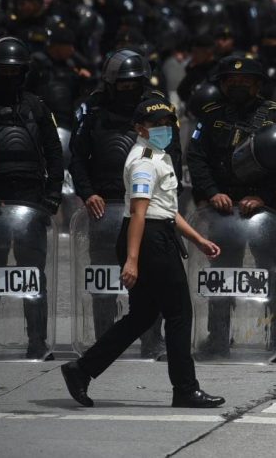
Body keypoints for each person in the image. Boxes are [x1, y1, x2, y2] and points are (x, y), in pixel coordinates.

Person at [62, 99, 224, 408]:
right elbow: (138, 212)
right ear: (140, 129)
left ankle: (81, 370)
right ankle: (185, 389)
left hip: (155, 234)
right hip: (148, 241)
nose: (165, 128)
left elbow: (165, 210)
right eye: (156, 124)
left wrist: (198, 239)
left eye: (168, 122)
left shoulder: (159, 156)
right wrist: (132, 261)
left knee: (142, 316)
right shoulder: (144, 161)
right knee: (178, 314)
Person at [186, 55, 276, 361]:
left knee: (274, 275)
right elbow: (196, 157)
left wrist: (266, 197)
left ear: (257, 85)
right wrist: (211, 193)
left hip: (262, 211)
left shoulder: (274, 116)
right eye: (230, 82)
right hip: (223, 209)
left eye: (244, 83)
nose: (236, 87)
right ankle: (218, 338)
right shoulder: (210, 115)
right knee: (221, 275)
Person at [0, 37, 64, 361]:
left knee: (33, 275)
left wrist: (53, 195)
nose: (9, 77)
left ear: (24, 73)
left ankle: (37, 341)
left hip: (31, 202)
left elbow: (54, 152)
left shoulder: (37, 107)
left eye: (14, 71)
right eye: (3, 71)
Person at [70, 50, 175, 359]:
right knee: (104, 279)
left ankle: (151, 341)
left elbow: (172, 157)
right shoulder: (94, 111)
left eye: (134, 84)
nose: (128, 90)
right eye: (122, 84)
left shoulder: (157, 110)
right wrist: (88, 192)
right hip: (104, 206)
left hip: (147, 207)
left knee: (149, 280)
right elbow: (77, 157)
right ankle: (105, 340)